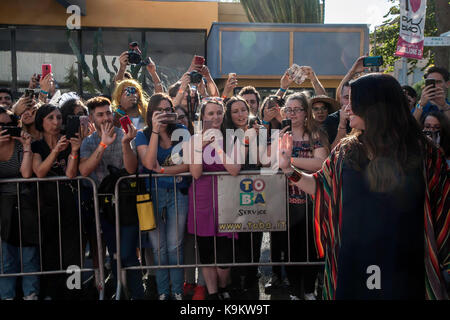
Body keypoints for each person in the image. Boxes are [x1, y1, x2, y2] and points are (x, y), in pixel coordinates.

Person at [278, 73, 449, 300]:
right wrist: (288, 169)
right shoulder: (345, 150)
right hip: (354, 260)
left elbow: (442, 209)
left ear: (374, 105)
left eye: (352, 101)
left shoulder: (424, 153)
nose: (346, 107)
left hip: (405, 262)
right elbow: (321, 187)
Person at [79, 96, 144, 300]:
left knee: (127, 254)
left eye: (108, 112)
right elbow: (84, 170)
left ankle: (138, 294)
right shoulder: (89, 142)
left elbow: (132, 168)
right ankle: (121, 293)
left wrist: (126, 144)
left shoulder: (123, 133)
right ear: (92, 118)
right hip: (104, 208)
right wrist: (103, 145)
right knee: (115, 256)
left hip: (127, 204)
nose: (106, 118)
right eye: (100, 114)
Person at [266, 92, 329, 300]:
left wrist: (289, 161)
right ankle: (294, 291)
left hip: (311, 200)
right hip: (285, 201)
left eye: (297, 109)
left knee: (310, 250)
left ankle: (309, 290)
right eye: (288, 109)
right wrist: (277, 139)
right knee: (289, 250)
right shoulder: (280, 133)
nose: (292, 114)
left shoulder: (316, 135)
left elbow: (320, 163)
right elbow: (268, 160)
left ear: (305, 112)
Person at [135, 93, 190, 300]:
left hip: (178, 191)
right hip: (153, 194)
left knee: (175, 245)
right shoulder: (144, 134)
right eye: (160, 110)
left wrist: (164, 171)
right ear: (151, 114)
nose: (166, 113)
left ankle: (177, 291)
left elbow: (188, 165)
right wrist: (156, 131)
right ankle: (163, 292)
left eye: (169, 110)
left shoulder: (182, 131)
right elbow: (149, 164)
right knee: (158, 247)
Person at [187, 97, 241, 300]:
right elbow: (196, 173)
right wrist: (201, 145)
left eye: (219, 112)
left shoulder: (232, 137)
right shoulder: (194, 140)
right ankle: (212, 292)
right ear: (203, 116)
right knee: (207, 250)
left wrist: (218, 145)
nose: (216, 116)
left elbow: (235, 169)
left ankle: (224, 286)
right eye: (210, 113)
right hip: (202, 199)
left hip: (227, 198)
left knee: (225, 253)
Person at [31, 104, 82, 299]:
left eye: (59, 117)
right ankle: (51, 293)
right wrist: (54, 152)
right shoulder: (37, 145)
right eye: (51, 118)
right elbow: (40, 172)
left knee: (73, 253)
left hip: (69, 203)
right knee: (49, 253)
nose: (56, 122)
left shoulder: (69, 142)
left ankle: (73, 293)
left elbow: (70, 173)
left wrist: (74, 150)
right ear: (41, 122)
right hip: (45, 205)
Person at [224, 96, 263, 299]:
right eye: (235, 111)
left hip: (255, 190)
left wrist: (256, 137)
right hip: (233, 190)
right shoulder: (226, 134)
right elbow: (232, 162)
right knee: (237, 238)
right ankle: (236, 280)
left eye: (243, 110)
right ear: (229, 115)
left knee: (255, 236)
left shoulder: (258, 130)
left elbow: (262, 160)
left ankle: (250, 278)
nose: (240, 114)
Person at [0, 107, 39, 300]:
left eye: (9, 125)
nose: (5, 129)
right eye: (1, 126)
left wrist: (26, 147)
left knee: (28, 255)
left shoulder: (18, 146)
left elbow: (25, 174)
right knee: (5, 258)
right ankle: (7, 295)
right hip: (2, 209)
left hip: (24, 204)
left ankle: (30, 294)